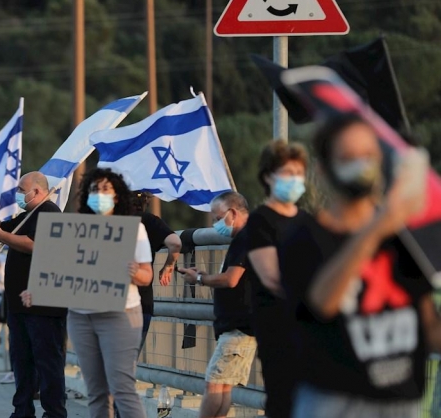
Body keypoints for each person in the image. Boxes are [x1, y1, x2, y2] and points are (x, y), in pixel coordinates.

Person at [278, 115, 441, 418]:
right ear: (323, 169)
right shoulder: (303, 238)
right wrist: (377, 227)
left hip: (402, 402)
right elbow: (322, 302)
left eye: (368, 156)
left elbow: (428, 323)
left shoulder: (404, 237)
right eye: (348, 157)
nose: (361, 166)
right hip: (335, 403)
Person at [22, 168, 153, 418]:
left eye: (105, 189)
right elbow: (58, 271)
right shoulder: (74, 229)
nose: (98, 194)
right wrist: (37, 291)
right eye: (94, 190)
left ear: (117, 196)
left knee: (122, 387)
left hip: (121, 315)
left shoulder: (132, 230)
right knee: (96, 391)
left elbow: (147, 277)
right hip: (81, 317)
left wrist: (134, 272)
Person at [0, 171, 68, 418]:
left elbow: (34, 244)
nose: (19, 194)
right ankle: (22, 410)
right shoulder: (25, 215)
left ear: (38, 191)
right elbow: (0, 230)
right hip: (19, 304)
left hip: (44, 304)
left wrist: (2, 236)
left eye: (22, 189)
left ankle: (54, 411)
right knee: (21, 361)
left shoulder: (49, 212)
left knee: (48, 361)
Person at [245, 140, 310, 418]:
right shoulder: (260, 220)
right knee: (283, 397)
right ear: (268, 176)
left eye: (299, 172)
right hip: (277, 324)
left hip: (310, 325)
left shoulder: (307, 220)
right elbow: (271, 277)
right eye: (287, 172)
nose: (294, 179)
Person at [179, 191, 256, 418]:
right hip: (242, 326)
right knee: (223, 386)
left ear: (232, 213)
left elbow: (231, 279)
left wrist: (200, 279)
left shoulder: (244, 238)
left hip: (238, 328)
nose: (215, 224)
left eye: (217, 217)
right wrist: (207, 276)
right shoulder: (250, 237)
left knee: (213, 385)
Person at [130, 191, 182, 349]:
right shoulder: (148, 221)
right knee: (126, 364)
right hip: (140, 304)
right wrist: (169, 264)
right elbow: (175, 243)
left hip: (105, 305)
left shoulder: (106, 220)